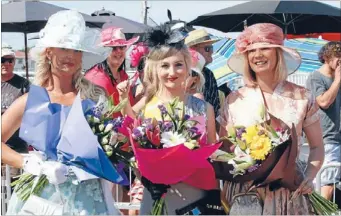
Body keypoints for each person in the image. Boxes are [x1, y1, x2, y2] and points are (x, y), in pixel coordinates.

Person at [2, 10, 120, 215]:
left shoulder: (93, 98)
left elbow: (111, 143)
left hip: (90, 197)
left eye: (76, 50)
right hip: (43, 196)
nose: (71, 56)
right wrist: (29, 163)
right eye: (64, 48)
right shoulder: (31, 100)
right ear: (49, 52)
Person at [216, 23, 324, 214]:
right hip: (245, 194)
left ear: (278, 53)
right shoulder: (234, 99)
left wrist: (309, 176)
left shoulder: (302, 97)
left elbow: (316, 147)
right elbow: (225, 150)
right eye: (251, 50)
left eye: (264, 48)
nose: (257, 55)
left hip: (289, 192)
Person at [116, 24, 218, 215]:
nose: (172, 72)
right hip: (154, 194)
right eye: (165, 65)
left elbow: (211, 153)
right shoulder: (146, 105)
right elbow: (129, 138)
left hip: (194, 198)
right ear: (154, 69)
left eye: (178, 64)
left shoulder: (205, 109)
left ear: (188, 68)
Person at [306, 41, 341, 201]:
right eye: (338, 58)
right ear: (327, 57)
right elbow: (323, 102)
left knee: (330, 183)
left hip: (335, 138)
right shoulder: (315, 77)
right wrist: (338, 80)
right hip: (326, 138)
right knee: (327, 182)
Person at [85, 26, 139, 118]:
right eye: (113, 48)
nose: (118, 51)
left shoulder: (122, 75)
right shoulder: (97, 78)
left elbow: (129, 109)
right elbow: (102, 117)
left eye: (122, 47)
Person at [185, 29, 227, 118]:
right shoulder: (182, 74)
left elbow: (215, 110)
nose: (212, 51)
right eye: (208, 48)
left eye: (212, 47)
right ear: (193, 50)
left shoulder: (209, 74)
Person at [1, 44, 30, 153]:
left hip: (17, 147)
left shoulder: (24, 84)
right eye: (2, 60)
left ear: (14, 62)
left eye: (10, 60)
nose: (6, 64)